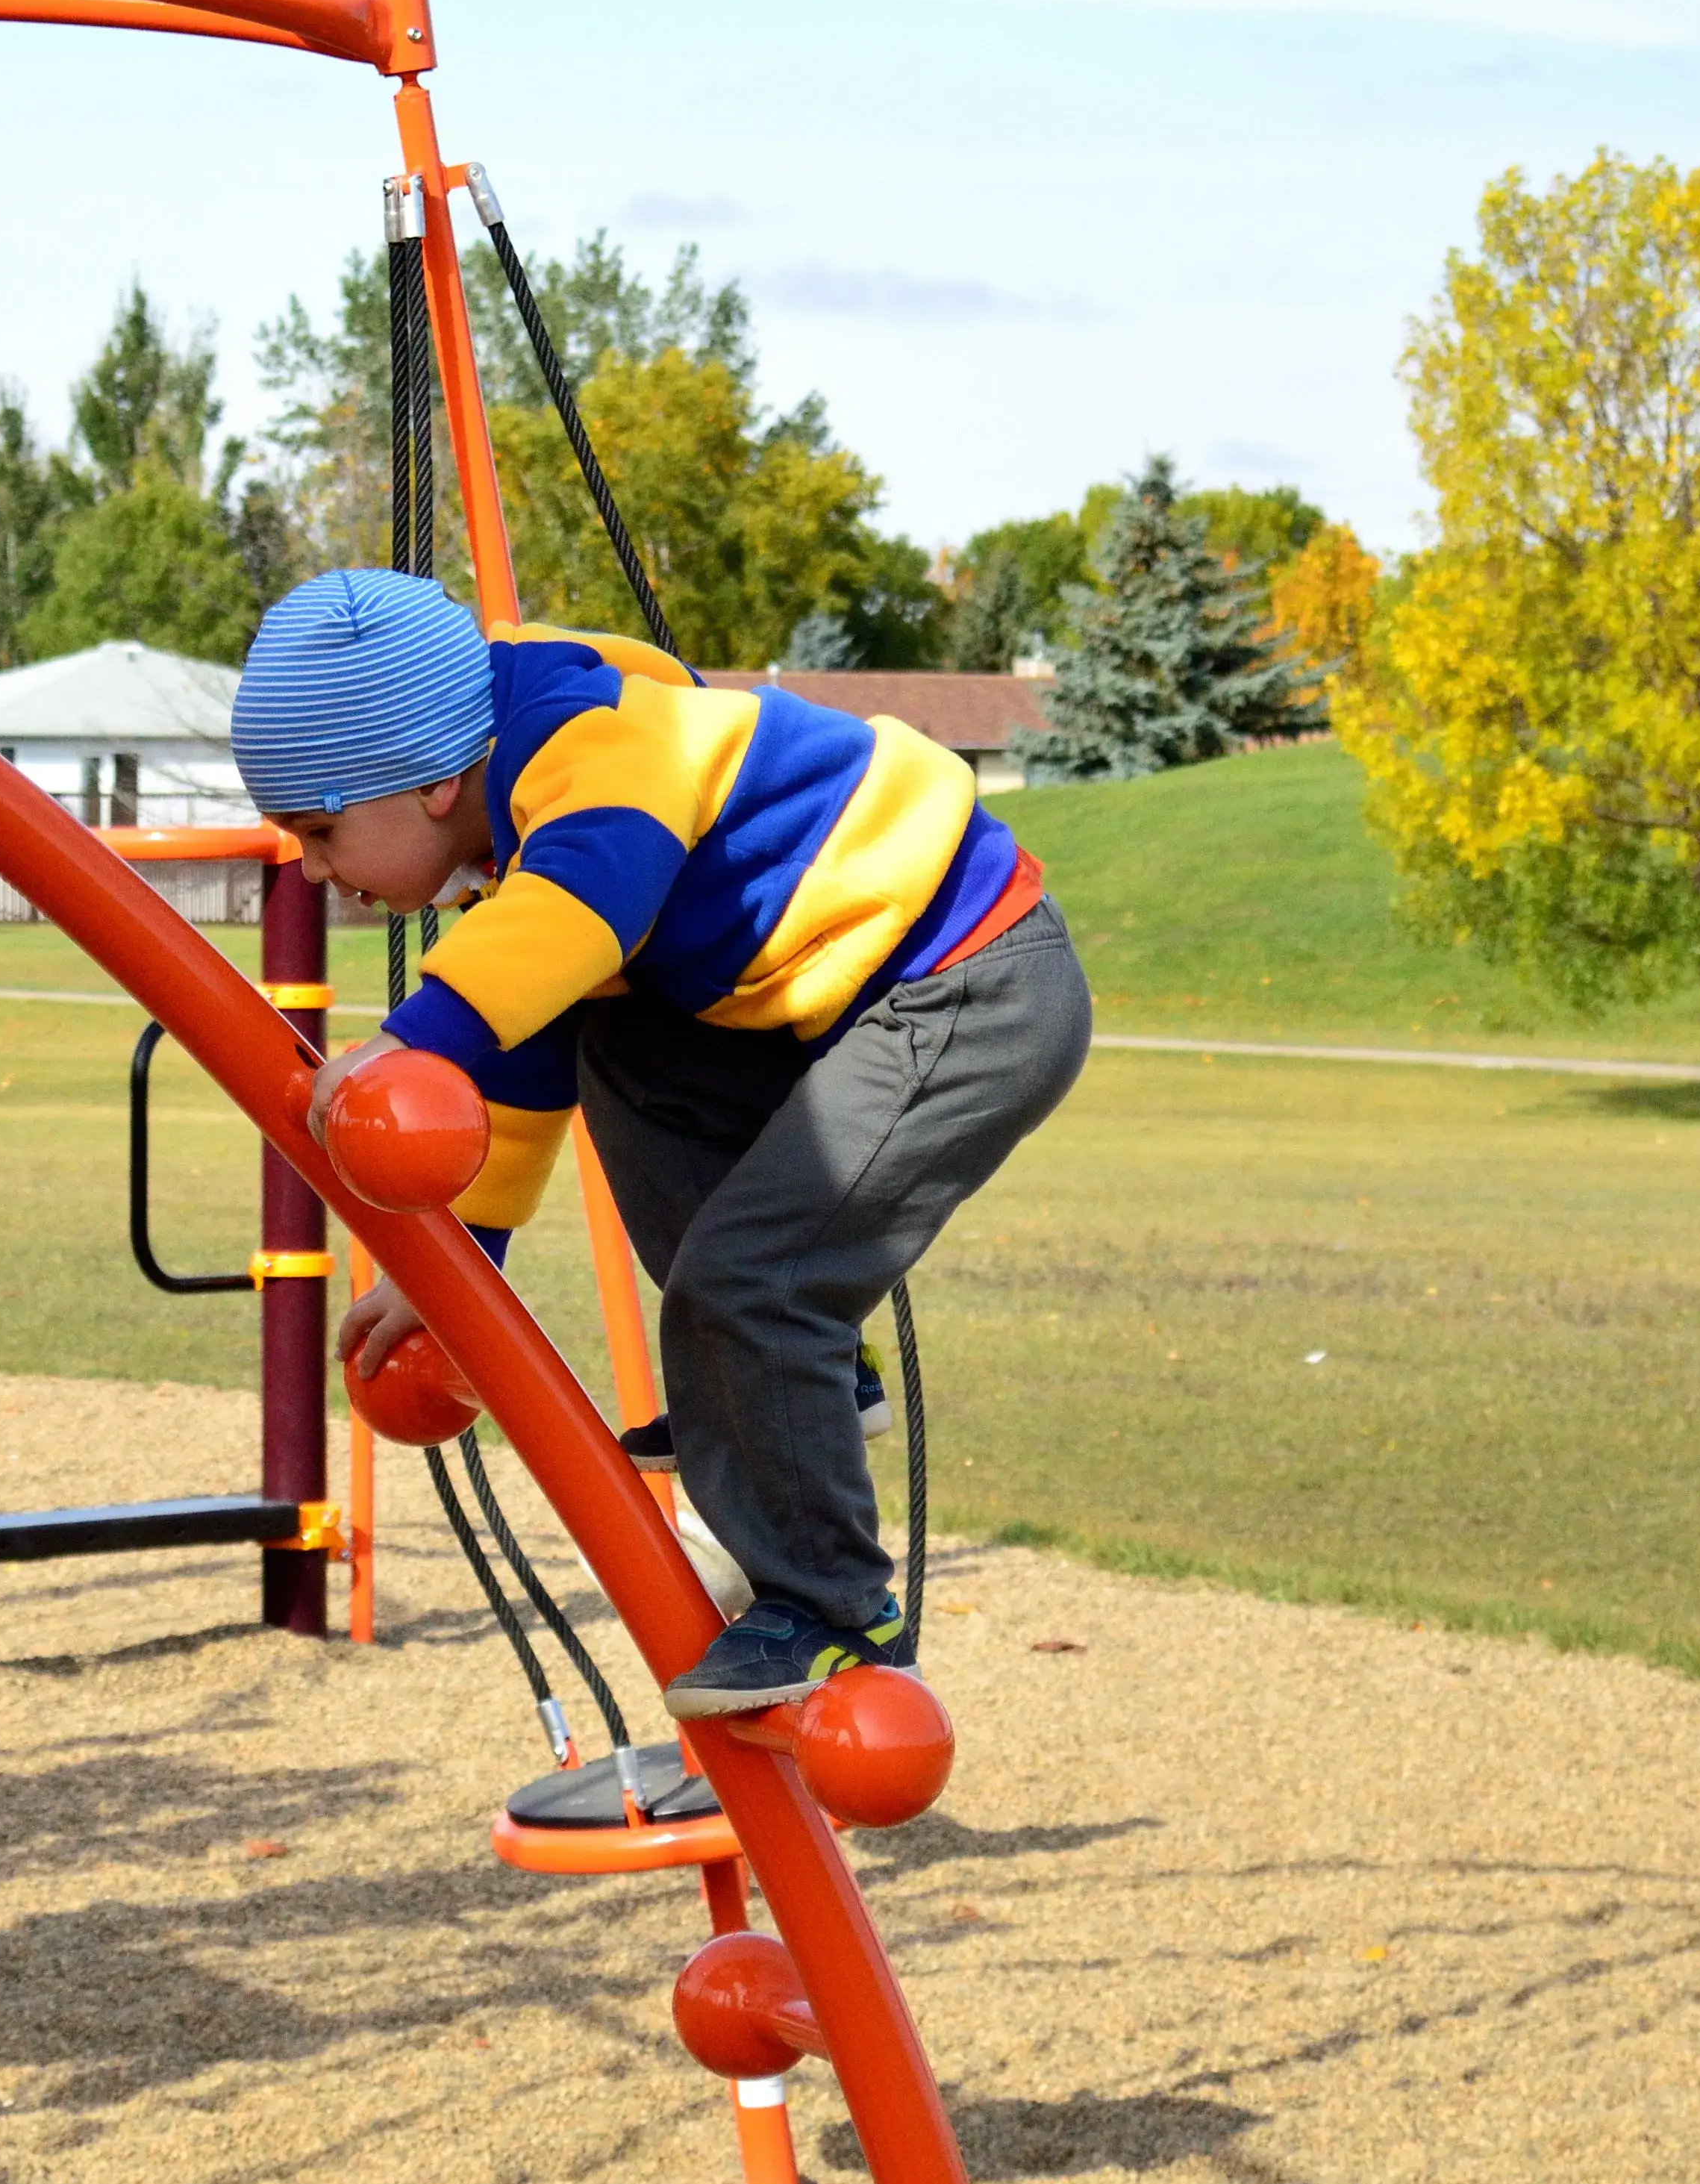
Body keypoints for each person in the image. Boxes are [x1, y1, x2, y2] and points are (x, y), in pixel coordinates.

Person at [234, 568, 1089, 1715]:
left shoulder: (592, 758)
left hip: (966, 986)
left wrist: (407, 1040)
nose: (314, 869)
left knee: (754, 1282)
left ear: (434, 779)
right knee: (618, 1049)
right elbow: (529, 1052)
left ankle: (836, 1614)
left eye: (323, 830)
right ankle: (800, 1381)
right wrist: (461, 1264)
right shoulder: (521, 812)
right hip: (849, 998)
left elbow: (584, 909)